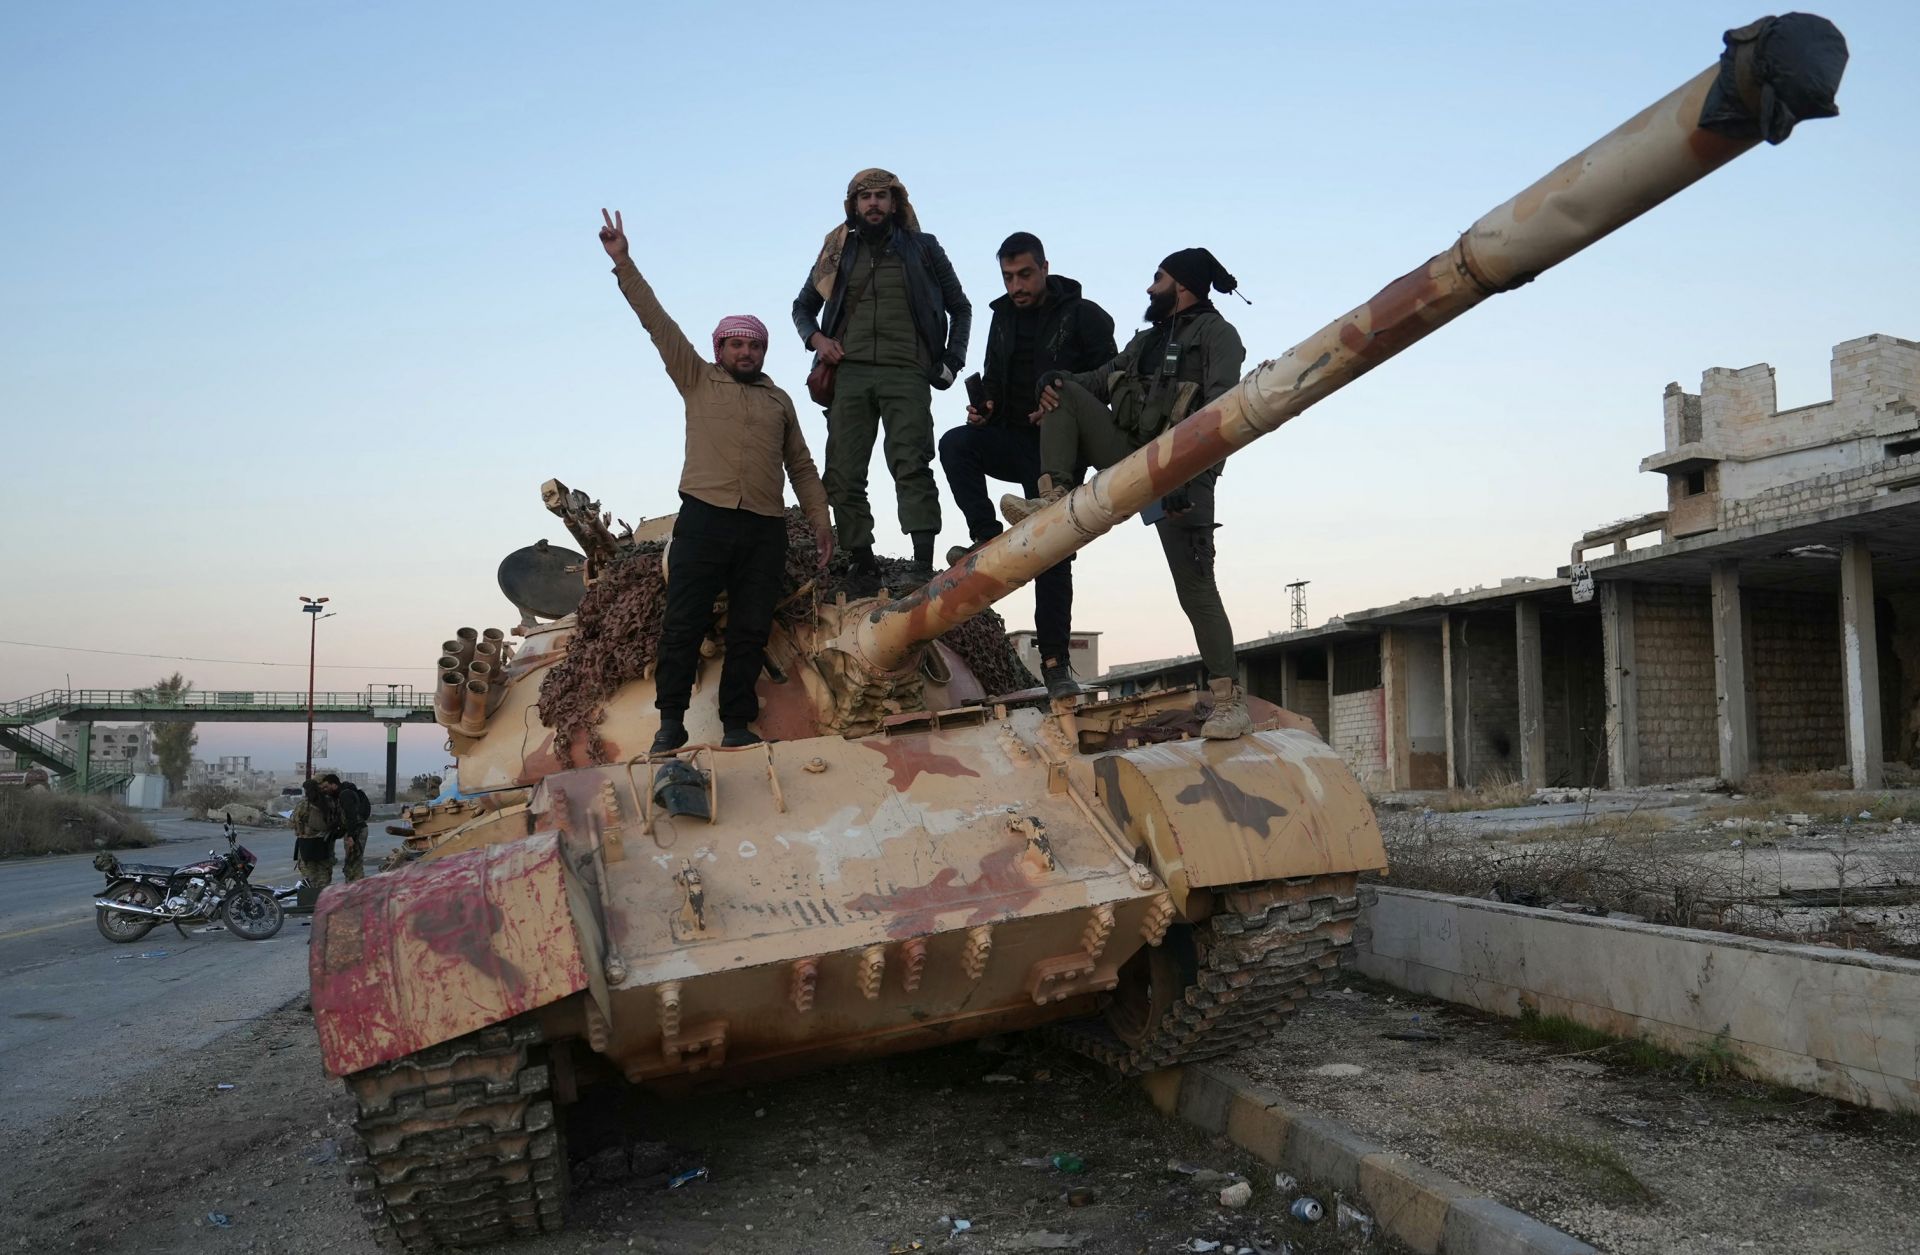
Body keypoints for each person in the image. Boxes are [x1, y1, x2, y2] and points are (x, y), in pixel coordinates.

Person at [598, 208, 835, 754]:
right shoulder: (697, 378)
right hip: (704, 519)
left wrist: (821, 523)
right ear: (719, 349)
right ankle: (670, 723)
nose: (745, 352)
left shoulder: (779, 400)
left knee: (750, 630)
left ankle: (736, 723)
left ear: (763, 352)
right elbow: (657, 323)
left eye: (754, 345)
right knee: (683, 624)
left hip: (764, 529)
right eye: (736, 344)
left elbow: (800, 466)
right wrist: (624, 263)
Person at [1003, 248, 1252, 738]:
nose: (1148, 288)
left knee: (1196, 589)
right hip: (1130, 455)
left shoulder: (1220, 337)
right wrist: (1052, 384)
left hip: (1183, 468)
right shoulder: (1147, 341)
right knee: (1063, 389)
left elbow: (1225, 414)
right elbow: (1095, 381)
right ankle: (1052, 496)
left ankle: (1229, 701)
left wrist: (1189, 472)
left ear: (1183, 285)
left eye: (1157, 279)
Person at [938, 232, 1114, 698]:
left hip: (1057, 454)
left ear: (1045, 267)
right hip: (1011, 438)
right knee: (956, 444)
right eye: (1008, 277)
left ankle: (1056, 665)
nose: (1016, 285)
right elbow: (995, 376)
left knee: (1051, 555)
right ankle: (986, 536)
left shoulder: (1085, 316)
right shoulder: (1000, 318)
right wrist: (985, 407)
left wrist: (1063, 389)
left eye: (1024, 274)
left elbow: (1113, 381)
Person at [792, 168, 970, 588]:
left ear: (895, 203)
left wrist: (950, 361)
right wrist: (817, 339)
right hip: (848, 373)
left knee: (911, 462)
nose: (873, 203)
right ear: (853, 205)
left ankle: (922, 562)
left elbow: (960, 307)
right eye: (864, 196)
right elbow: (802, 307)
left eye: (881, 196)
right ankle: (862, 560)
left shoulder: (924, 249)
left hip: (906, 370)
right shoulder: (838, 250)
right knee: (843, 470)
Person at [290, 778, 336, 903]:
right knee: (324, 873)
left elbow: (294, 821)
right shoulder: (329, 802)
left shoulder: (304, 804)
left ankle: (312, 901)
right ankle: (324, 901)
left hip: (307, 843)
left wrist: (300, 832)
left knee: (309, 874)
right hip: (325, 842)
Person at [320, 773, 371, 882]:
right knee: (351, 863)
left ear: (334, 785)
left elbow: (351, 816)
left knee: (354, 864)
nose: (325, 790)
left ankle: (356, 891)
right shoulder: (339, 796)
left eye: (326, 787)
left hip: (356, 831)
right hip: (353, 831)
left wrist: (351, 836)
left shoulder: (345, 795)